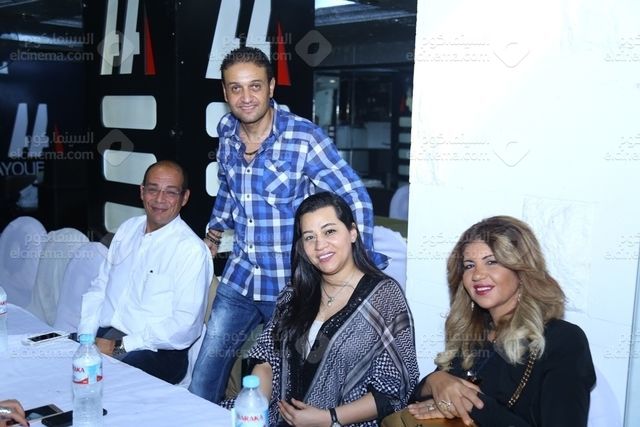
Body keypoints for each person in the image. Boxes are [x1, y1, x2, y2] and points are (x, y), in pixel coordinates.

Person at [189, 46, 382, 403]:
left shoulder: (303, 137)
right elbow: (230, 186)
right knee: (203, 381)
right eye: (236, 88)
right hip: (240, 277)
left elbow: (354, 196)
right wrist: (215, 229)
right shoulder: (226, 132)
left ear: (271, 87)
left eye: (255, 86)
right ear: (225, 92)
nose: (246, 97)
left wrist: (360, 263)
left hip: (291, 285)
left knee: (284, 393)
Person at [227, 192, 419, 426]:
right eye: (309, 237)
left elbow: (395, 389)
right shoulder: (295, 293)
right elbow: (266, 359)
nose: (320, 245)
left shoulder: (384, 297)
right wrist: (257, 410)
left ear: (352, 232)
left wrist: (328, 418)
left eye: (329, 232)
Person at [407, 216, 595, 426]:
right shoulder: (475, 333)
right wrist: (436, 381)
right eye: (469, 265)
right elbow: (417, 399)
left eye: (492, 262)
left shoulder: (563, 340)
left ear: (521, 270)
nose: (477, 275)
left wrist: (472, 405)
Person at [78, 160, 213, 384]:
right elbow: (100, 287)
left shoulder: (190, 250)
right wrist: (86, 337)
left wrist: (120, 346)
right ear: (142, 192)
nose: (160, 199)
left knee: (105, 383)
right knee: (58, 359)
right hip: (107, 334)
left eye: (171, 192)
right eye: (153, 189)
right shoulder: (127, 229)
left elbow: (185, 326)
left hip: (157, 350)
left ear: (184, 198)